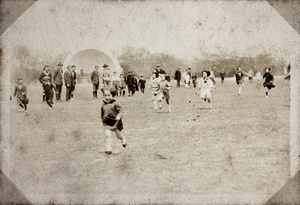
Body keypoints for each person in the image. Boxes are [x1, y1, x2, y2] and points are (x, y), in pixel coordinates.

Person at [101, 89, 127, 155]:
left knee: (119, 135)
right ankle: (108, 148)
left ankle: (123, 139)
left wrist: (119, 116)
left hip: (115, 122)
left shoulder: (115, 103)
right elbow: (102, 114)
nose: (107, 97)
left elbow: (121, 111)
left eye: (109, 95)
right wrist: (102, 121)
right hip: (107, 123)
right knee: (107, 135)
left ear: (113, 95)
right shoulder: (103, 105)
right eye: (105, 95)